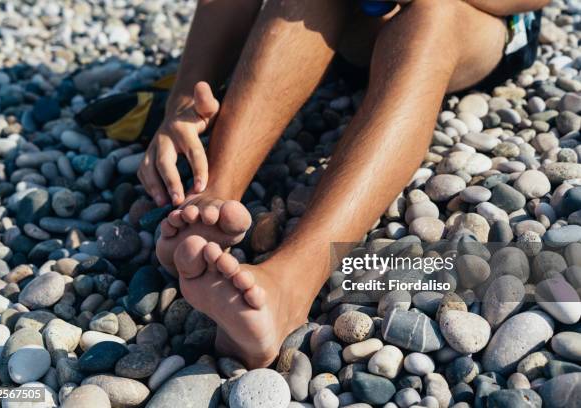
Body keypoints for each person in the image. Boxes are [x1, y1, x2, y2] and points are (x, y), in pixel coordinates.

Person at [137, 0, 548, 368]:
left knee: (433, 15)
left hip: (479, 21)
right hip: (351, 26)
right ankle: (214, 195)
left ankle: (292, 283)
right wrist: (185, 102)